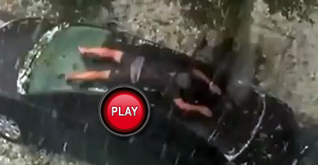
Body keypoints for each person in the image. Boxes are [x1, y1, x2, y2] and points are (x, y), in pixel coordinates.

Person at [66, 46, 222, 117]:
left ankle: (85, 50)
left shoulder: (175, 69)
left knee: (111, 53)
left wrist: (210, 83)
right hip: (132, 75)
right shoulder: (172, 87)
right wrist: (200, 108)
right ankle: (72, 76)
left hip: (136, 62)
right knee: (99, 75)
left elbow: (194, 72)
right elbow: (181, 105)